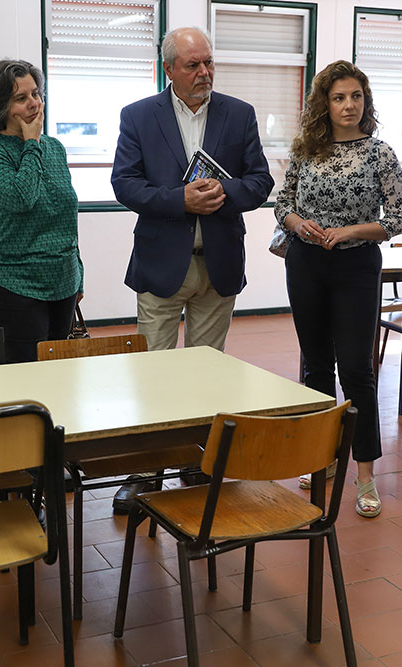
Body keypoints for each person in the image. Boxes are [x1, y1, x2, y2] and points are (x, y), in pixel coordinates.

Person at [109, 27, 273, 512]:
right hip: (162, 265)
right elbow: (125, 185)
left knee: (207, 374)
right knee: (153, 374)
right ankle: (145, 472)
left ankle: (197, 463)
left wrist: (225, 195)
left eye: (208, 63)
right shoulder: (139, 116)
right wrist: (179, 199)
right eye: (192, 65)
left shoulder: (238, 114)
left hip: (218, 263)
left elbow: (260, 180)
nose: (204, 73)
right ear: (169, 69)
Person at [274, 60, 402, 518]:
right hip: (306, 262)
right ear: (324, 105)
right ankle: (321, 460)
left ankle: (366, 474)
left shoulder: (379, 153)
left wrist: (351, 231)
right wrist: (297, 223)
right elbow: (283, 204)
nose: (349, 105)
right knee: (315, 366)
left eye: (355, 96)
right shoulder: (306, 149)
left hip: (356, 266)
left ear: (365, 101)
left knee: (356, 370)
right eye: (338, 97)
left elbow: (397, 219)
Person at [0, 60, 83, 364]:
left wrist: (79, 275)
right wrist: (31, 143)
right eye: (21, 99)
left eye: (36, 94)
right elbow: (22, 198)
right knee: (23, 381)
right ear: (0, 107)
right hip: (15, 284)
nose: (34, 104)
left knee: (59, 377)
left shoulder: (56, 148)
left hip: (63, 281)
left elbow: (66, 215)